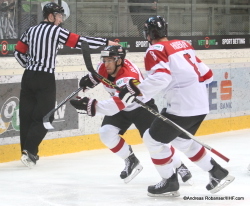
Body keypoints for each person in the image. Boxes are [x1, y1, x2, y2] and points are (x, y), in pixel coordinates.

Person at [118, 16, 235, 196]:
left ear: (148, 34)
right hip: (201, 104)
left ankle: (169, 182)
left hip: (182, 106)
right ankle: (218, 173)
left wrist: (136, 92)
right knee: (182, 141)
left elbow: (161, 78)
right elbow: (208, 75)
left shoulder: (154, 50)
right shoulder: (184, 45)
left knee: (152, 139)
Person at [13, 2, 119, 168]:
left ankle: (27, 152)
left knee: (26, 115)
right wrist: (106, 41)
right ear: (50, 16)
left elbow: (18, 52)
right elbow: (81, 41)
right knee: (46, 115)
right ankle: (29, 150)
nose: (61, 19)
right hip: (45, 77)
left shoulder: (30, 30)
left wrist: (30, 66)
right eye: (59, 16)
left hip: (28, 77)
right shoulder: (55, 31)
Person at [70, 45, 192, 183]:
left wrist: (92, 106)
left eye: (110, 60)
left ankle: (179, 165)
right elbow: (101, 76)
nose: (106, 63)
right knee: (106, 133)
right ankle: (131, 160)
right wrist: (91, 80)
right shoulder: (103, 66)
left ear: (119, 61)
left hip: (141, 107)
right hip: (120, 108)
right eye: (104, 60)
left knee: (157, 140)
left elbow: (114, 105)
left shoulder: (128, 77)